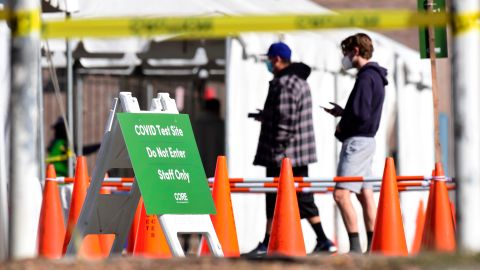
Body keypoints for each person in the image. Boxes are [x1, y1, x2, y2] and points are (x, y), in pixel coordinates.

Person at [249, 42, 336, 255]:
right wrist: (266, 116)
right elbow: (287, 114)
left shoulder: (284, 83)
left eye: (270, 59)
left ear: (277, 59)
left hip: (285, 154)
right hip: (299, 152)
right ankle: (322, 239)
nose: (269, 64)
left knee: (275, 195)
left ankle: (270, 243)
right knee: (301, 196)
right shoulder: (298, 82)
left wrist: (277, 145)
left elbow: (286, 120)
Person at [324, 33, 387, 253]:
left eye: (346, 53)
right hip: (368, 140)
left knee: (341, 194)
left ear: (356, 51)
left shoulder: (365, 77)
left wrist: (343, 123)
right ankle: (373, 246)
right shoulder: (377, 76)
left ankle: (355, 247)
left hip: (357, 142)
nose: (345, 58)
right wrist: (345, 111)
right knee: (364, 194)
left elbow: (360, 113)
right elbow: (364, 111)